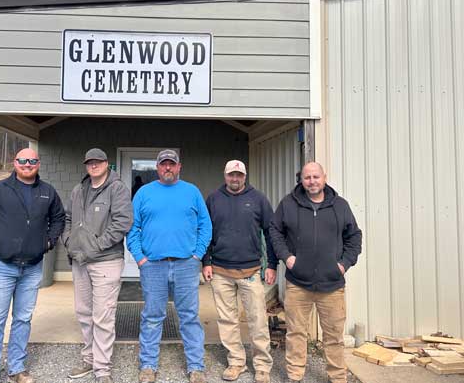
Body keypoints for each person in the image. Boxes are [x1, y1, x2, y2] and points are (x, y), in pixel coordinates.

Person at [0, 148, 66, 383]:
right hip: (2, 267)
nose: (27, 164)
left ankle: (17, 368)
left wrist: (48, 242)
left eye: (32, 160)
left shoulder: (47, 192)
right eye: (23, 160)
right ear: (15, 163)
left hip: (32, 267)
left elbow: (58, 218)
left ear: (38, 163)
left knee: (23, 319)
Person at [269, 162, 362, 383]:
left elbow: (354, 237)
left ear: (324, 178)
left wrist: (343, 264)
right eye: (307, 177)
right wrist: (287, 258)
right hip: (298, 283)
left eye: (315, 177)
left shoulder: (340, 206)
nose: (312, 181)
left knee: (334, 335)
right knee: (296, 333)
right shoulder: (288, 204)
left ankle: (337, 377)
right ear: (301, 180)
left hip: (332, 285)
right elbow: (275, 231)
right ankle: (295, 375)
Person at [126, 149, 212, 383]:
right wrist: (140, 258)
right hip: (153, 265)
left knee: (189, 316)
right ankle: (148, 365)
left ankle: (196, 367)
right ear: (157, 167)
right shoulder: (144, 193)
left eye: (171, 164)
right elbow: (132, 228)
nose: (167, 168)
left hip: (186, 265)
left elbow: (205, 225)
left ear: (179, 167)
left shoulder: (192, 192)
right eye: (163, 164)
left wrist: (197, 255)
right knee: (152, 316)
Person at [202, 159, 278, 383]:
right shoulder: (213, 199)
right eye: (231, 175)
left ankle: (262, 366)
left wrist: (272, 264)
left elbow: (271, 232)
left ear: (244, 176)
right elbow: (205, 232)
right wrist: (206, 262)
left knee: (258, 320)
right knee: (227, 320)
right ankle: (236, 362)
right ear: (225, 175)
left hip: (251, 271)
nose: (235, 179)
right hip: (220, 271)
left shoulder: (258, 199)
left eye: (239, 175)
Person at [63, 148, 133, 383]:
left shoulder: (117, 188)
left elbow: (122, 222)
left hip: (106, 261)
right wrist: (68, 241)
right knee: (84, 312)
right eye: (90, 162)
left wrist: (96, 246)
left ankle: (102, 369)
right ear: (86, 165)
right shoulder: (78, 190)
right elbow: (68, 218)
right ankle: (89, 358)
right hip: (80, 260)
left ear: (106, 163)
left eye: (98, 162)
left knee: (103, 316)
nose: (94, 165)